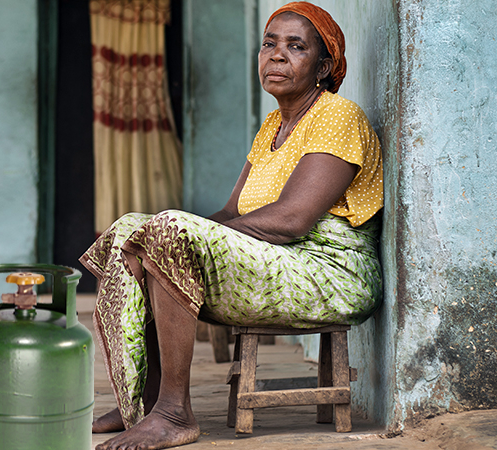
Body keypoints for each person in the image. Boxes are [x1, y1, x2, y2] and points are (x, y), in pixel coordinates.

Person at [79, 3, 383, 449]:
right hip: (278, 260)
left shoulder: (337, 117)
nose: (276, 56)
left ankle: (174, 412)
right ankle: (140, 402)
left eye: (295, 47)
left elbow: (293, 220)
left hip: (328, 273)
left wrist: (177, 235)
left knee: (166, 232)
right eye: (269, 44)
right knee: (135, 229)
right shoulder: (273, 127)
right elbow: (227, 214)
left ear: (323, 66)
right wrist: (160, 235)